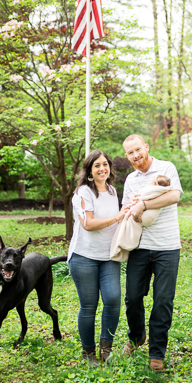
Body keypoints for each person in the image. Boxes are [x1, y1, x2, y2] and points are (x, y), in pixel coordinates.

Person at [121, 134, 183, 372]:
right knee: (133, 298)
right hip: (139, 246)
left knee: (163, 301)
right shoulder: (131, 179)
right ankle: (137, 337)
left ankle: (157, 353)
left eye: (138, 150)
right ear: (127, 157)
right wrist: (134, 210)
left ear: (146, 147)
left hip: (167, 247)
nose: (135, 156)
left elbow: (174, 196)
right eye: (130, 153)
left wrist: (144, 204)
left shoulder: (166, 168)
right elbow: (127, 208)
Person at [68, 150, 128, 366]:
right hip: (84, 256)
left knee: (112, 299)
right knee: (89, 306)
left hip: (108, 256)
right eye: (97, 165)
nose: (102, 168)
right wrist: (117, 217)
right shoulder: (84, 192)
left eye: (105, 164)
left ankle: (106, 349)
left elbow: (117, 221)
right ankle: (88, 353)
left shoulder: (112, 191)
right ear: (89, 170)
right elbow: (88, 224)